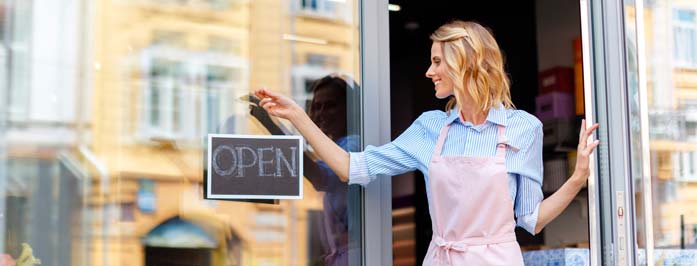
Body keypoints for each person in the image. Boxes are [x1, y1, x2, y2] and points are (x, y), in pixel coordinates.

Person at [253, 20, 600, 265]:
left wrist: (576, 179)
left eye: (437, 61)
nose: (429, 71)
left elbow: (531, 219)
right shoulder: (430, 128)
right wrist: (297, 116)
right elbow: (350, 167)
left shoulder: (523, 128)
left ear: (466, 63)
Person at [248, 75, 358, 265]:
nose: (321, 113)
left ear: (349, 110)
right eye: (316, 107)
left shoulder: (353, 144)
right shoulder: (338, 146)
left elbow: (320, 177)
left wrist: (272, 125)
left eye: (330, 105)